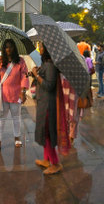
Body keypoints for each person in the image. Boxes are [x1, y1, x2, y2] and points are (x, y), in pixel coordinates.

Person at [0, 39, 29, 154]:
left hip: (16, 94)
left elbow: (24, 77)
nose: (8, 49)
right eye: (6, 47)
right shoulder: (0, 61)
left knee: (16, 117)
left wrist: (23, 91)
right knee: (0, 119)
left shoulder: (21, 61)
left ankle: (17, 138)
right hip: (3, 95)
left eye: (11, 47)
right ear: (3, 49)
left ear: (14, 48)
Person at [31, 43, 63, 175]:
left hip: (48, 104)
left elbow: (49, 85)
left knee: (47, 133)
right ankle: (46, 159)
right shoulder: (47, 64)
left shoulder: (50, 65)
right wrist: (36, 73)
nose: (40, 49)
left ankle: (55, 163)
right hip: (43, 101)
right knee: (44, 132)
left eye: (42, 47)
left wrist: (36, 75)